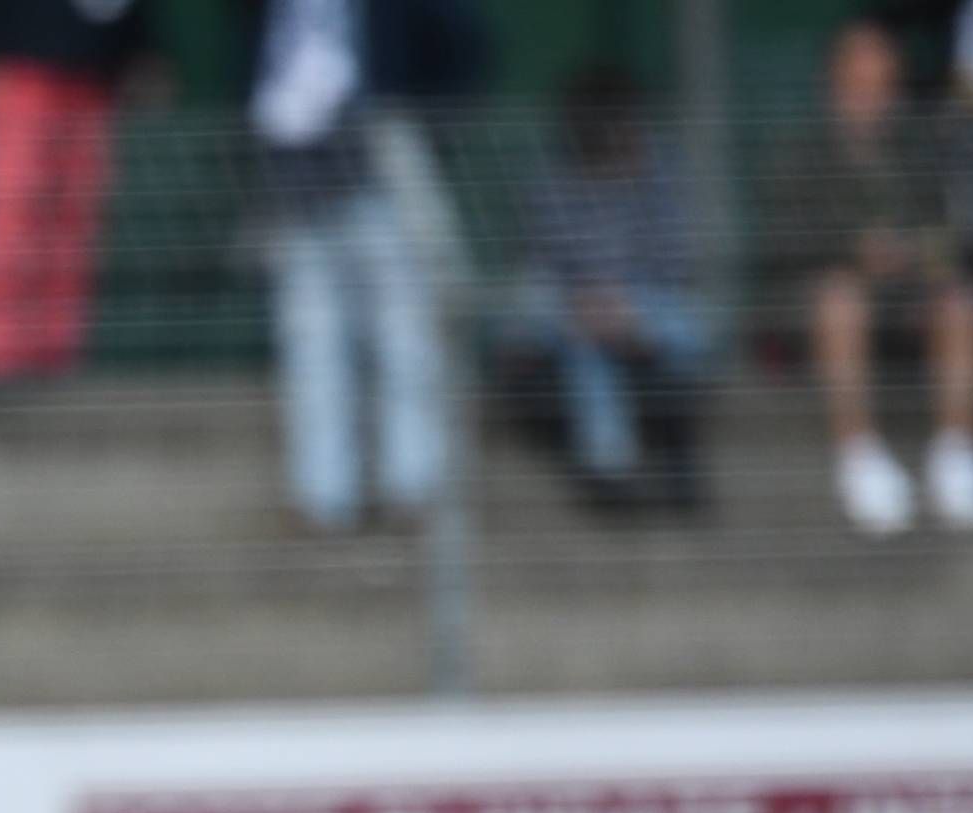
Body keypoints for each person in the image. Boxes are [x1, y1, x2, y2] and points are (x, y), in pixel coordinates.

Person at [250, 0, 484, 532]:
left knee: (407, 336)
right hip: (296, 175)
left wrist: (424, 129)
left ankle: (414, 485)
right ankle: (322, 495)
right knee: (310, 341)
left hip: (382, 168)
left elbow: (464, 47)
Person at [768, 18, 973, 534]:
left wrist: (912, 254)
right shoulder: (799, 151)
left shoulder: (915, 149)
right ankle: (858, 454)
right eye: (860, 84)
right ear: (834, 81)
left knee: (959, 299)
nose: (872, 98)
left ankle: (956, 454)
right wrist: (854, 251)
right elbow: (784, 242)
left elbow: (950, 232)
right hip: (824, 304)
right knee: (840, 297)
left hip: (906, 296)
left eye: (883, 85)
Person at [526, 65, 710, 513]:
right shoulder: (553, 179)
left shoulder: (661, 171)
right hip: (577, 310)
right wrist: (594, 305)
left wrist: (627, 309)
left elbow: (676, 259)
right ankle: (612, 469)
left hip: (650, 307)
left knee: (692, 326)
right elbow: (547, 263)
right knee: (579, 341)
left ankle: (666, 449)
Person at [0, 0, 149, 383]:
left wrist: (140, 47)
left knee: (73, 222)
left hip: (93, 74)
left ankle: (55, 353)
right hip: (17, 69)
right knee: (9, 215)